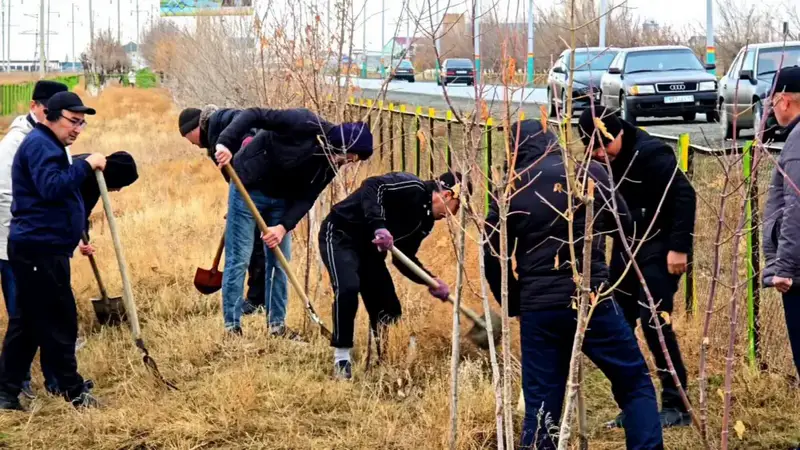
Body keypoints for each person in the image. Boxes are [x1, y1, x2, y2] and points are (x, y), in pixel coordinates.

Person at [483, 119, 662, 449]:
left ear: (513, 150)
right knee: (634, 381)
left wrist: (514, 302)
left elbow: (492, 252)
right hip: (590, 298)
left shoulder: (510, 188)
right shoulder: (587, 173)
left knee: (541, 401)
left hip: (539, 307)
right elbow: (623, 224)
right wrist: (606, 276)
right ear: (551, 140)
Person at [198, 107, 372, 337]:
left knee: (279, 262)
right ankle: (232, 327)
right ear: (341, 145)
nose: (346, 163)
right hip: (248, 187)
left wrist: (283, 227)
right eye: (348, 157)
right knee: (239, 257)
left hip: (282, 202)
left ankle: (276, 325)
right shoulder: (303, 122)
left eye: (351, 161)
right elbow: (254, 114)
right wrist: (224, 143)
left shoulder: (331, 163)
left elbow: (307, 197)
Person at [578, 105, 696, 428]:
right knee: (619, 322)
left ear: (617, 133)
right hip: (626, 248)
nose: (600, 155)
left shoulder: (651, 154)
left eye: (603, 146)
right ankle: (634, 401)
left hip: (660, 246)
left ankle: (676, 402)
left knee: (654, 320)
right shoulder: (599, 164)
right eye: (593, 150)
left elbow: (686, 195)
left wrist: (679, 248)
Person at [0, 91, 106, 410]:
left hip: (43, 248)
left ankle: (6, 393)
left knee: (30, 322)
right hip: (38, 249)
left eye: (82, 123)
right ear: (50, 116)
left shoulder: (50, 144)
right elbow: (52, 186)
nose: (77, 129)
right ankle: (71, 391)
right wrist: (86, 165)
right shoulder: (40, 145)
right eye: (73, 121)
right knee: (59, 321)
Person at [316, 171, 460, 380]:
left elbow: (403, 258)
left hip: (370, 250)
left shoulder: (425, 222)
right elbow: (372, 186)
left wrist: (430, 280)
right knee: (348, 288)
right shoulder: (412, 187)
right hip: (340, 234)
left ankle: (388, 360)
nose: (451, 215)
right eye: (456, 208)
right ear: (447, 195)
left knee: (388, 306)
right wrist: (379, 226)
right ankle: (342, 357)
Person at [0, 80, 68, 399]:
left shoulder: (53, 139)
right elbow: (4, 195)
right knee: (22, 314)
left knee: (47, 311)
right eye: (46, 109)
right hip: (15, 245)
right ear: (34, 107)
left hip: (45, 243)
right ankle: (19, 382)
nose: (50, 115)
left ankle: (56, 379)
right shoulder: (15, 142)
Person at [178, 107, 268, 317]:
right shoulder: (214, 136)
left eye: (187, 136)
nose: (189, 142)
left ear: (194, 128)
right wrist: (235, 203)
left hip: (260, 192)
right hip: (248, 194)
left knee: (255, 247)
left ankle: (257, 301)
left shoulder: (222, 124)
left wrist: (248, 144)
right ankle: (257, 299)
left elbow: (247, 129)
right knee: (253, 246)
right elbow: (233, 174)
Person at [762, 66, 800, 377]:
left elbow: (796, 206)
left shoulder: (798, 141)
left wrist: (784, 267)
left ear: (784, 100)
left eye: (771, 101)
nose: (770, 109)